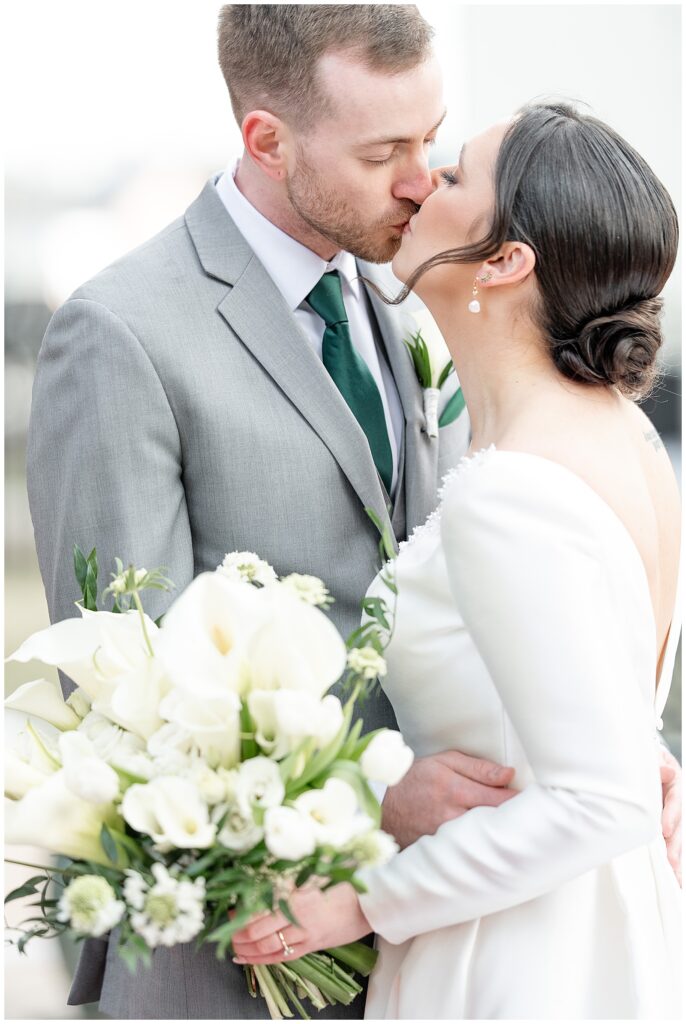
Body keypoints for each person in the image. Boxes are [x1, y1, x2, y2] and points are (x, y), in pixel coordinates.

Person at [26, 5, 522, 1019]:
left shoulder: (394, 299)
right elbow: (127, 693)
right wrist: (375, 803)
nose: (418, 179)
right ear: (265, 139)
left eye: (428, 139)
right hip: (224, 958)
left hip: (411, 944)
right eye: (384, 149)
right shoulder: (121, 332)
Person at [230, 103, 683, 1019]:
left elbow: (602, 801)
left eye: (452, 176)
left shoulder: (511, 488)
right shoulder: (621, 433)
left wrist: (361, 898)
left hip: (513, 957)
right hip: (607, 928)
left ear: (508, 260)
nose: (416, 182)